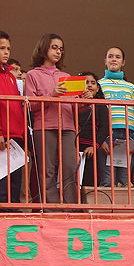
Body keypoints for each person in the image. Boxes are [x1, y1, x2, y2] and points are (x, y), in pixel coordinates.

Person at [24, 33, 93, 204]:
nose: (58, 52)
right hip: (45, 127)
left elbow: (73, 105)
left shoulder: (66, 76)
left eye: (61, 49)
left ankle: (71, 207)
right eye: (54, 47)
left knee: (70, 167)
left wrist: (84, 100)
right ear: (44, 47)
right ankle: (50, 207)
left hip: (68, 128)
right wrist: (52, 95)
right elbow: (30, 105)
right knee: (47, 169)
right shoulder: (33, 75)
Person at [97, 47, 134, 186]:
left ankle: (123, 208)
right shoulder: (99, 85)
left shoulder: (131, 87)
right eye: (110, 56)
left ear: (123, 62)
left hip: (129, 135)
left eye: (117, 57)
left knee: (125, 179)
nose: (114, 59)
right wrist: (101, 139)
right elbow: (97, 113)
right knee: (107, 177)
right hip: (108, 134)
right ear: (105, 61)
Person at [0, 30, 26, 210]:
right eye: (1, 48)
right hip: (1, 135)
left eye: (8, 49)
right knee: (2, 180)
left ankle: (13, 211)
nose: (6, 52)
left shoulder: (11, 75)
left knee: (15, 180)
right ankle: (3, 213)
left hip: (16, 135)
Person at [77, 72, 110, 187]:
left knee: (89, 180)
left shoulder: (101, 105)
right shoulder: (73, 103)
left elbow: (105, 128)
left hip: (91, 148)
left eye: (93, 83)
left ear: (97, 88)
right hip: (73, 146)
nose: (90, 85)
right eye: (86, 82)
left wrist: (94, 146)